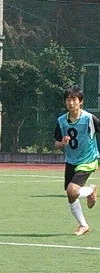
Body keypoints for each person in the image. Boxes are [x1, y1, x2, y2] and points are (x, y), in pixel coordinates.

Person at [54, 86, 100, 236]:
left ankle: (90, 192)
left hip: (88, 159)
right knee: (71, 195)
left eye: (74, 99)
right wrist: (62, 142)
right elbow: (56, 144)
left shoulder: (89, 119)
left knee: (72, 191)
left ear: (80, 101)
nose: (71, 103)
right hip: (71, 160)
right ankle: (83, 224)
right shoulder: (61, 120)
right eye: (68, 99)